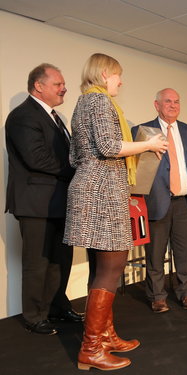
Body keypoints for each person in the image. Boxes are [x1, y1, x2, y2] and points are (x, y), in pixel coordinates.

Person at [63, 53, 168, 371]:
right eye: (118, 75)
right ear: (104, 73)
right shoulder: (98, 102)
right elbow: (109, 147)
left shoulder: (85, 103)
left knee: (102, 267)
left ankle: (104, 336)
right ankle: (91, 348)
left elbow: (74, 156)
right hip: (101, 192)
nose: (120, 81)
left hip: (96, 188)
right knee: (113, 265)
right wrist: (149, 146)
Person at [5, 63, 84, 335]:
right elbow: (37, 158)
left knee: (60, 260)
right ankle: (34, 316)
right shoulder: (22, 116)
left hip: (59, 202)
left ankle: (57, 308)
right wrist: (78, 168)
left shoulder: (54, 117)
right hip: (36, 205)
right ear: (39, 86)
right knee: (37, 263)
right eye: (58, 84)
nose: (64, 88)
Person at [131, 88, 187, 313]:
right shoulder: (142, 131)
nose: (173, 105)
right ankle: (157, 296)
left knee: (184, 253)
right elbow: (135, 167)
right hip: (156, 201)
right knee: (155, 255)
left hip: (185, 201)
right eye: (168, 101)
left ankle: (186, 293)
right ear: (157, 105)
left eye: (177, 101)